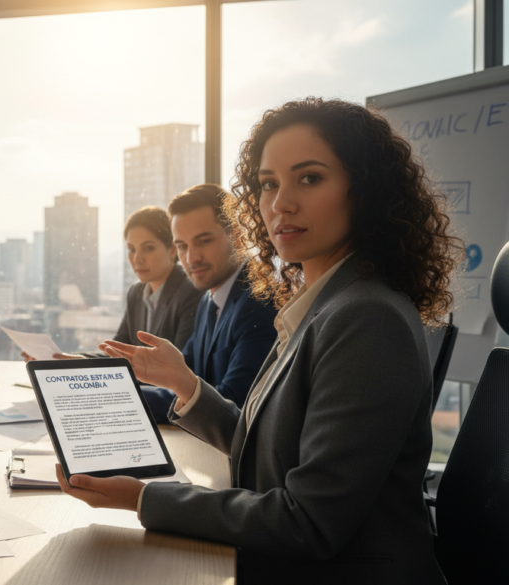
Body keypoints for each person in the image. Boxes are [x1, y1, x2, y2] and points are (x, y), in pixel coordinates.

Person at [58, 98, 460, 583]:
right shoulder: (319, 302)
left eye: (309, 178)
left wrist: (142, 497)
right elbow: (266, 450)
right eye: (268, 184)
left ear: (365, 190)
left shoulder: (366, 318)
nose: (279, 203)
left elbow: (307, 522)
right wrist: (186, 386)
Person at [141, 184, 277, 420]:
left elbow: (232, 402)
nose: (191, 258)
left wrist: (125, 399)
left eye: (203, 241)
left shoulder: (260, 302)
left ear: (237, 234)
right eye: (182, 246)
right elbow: (185, 379)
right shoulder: (209, 300)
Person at [22, 206, 201, 359]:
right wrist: (63, 360)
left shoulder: (190, 292)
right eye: (131, 250)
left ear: (172, 250)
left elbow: (181, 367)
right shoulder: (136, 293)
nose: (137, 259)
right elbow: (116, 353)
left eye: (148, 248)